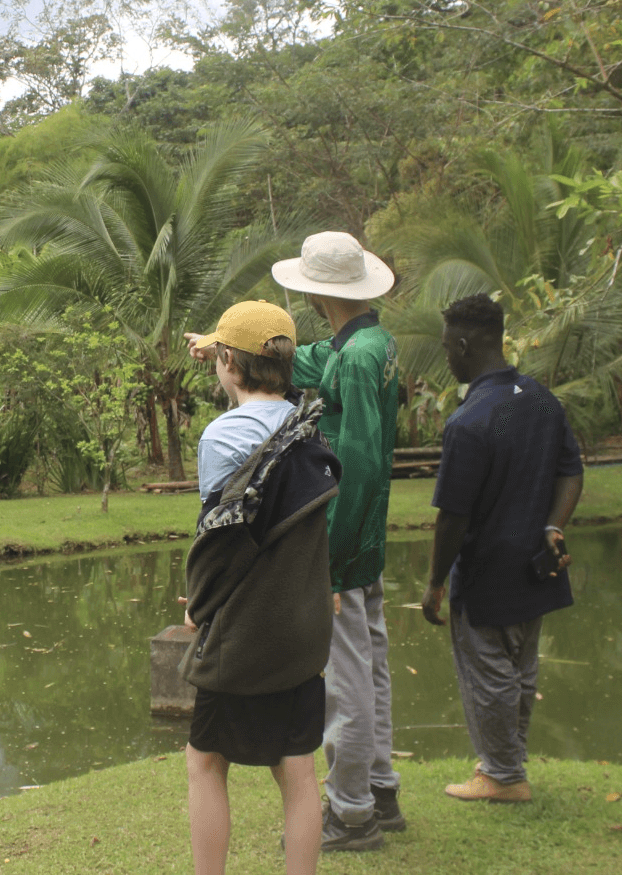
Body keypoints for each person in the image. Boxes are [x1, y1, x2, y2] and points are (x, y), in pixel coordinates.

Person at [181, 301, 337, 875]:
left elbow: (218, 541)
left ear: (229, 363)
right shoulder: (306, 424)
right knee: (297, 770)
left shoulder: (223, 437)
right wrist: (219, 345)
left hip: (245, 627)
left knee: (204, 761)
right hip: (303, 623)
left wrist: (201, 607)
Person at [421, 293, 584, 803]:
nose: (447, 356)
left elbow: (454, 516)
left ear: (465, 345)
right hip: (536, 566)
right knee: (519, 668)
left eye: (448, 346)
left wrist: (433, 582)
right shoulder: (539, 398)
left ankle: (503, 776)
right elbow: (571, 472)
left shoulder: (469, 421)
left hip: (487, 570)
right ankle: (507, 763)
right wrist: (553, 528)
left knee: (490, 673)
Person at [272, 231, 402, 852]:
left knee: (344, 674)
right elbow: (303, 359)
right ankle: (380, 787)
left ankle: (351, 814)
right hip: (369, 533)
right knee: (370, 659)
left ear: (317, 291)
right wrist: (226, 346)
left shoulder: (354, 357)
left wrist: (331, 556)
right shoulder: (368, 343)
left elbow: (362, 461)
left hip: (346, 537)